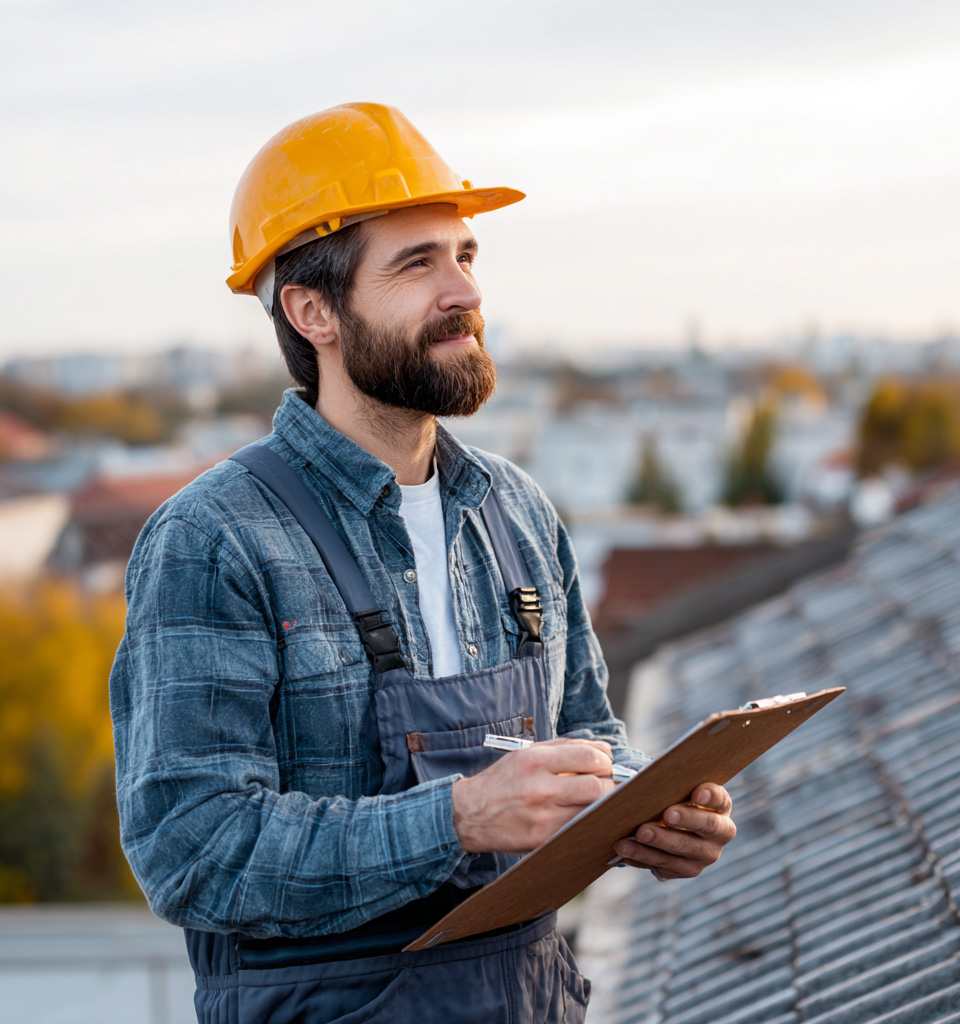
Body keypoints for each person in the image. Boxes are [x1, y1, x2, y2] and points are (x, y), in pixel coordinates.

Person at [110, 102, 736, 1024]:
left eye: (466, 257)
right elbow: (191, 846)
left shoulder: (514, 511)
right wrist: (456, 821)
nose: (465, 293)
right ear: (311, 310)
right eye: (417, 264)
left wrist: (644, 807)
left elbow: (589, 734)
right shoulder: (217, 540)